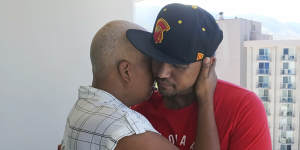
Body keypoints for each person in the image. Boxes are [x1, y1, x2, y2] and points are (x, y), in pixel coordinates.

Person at [127, 3, 272, 150]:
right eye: (157, 58)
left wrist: (205, 103)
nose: (161, 73)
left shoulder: (243, 109)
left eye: (178, 65)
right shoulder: (140, 112)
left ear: (207, 65)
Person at [60, 20, 220, 150]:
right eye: (150, 63)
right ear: (126, 71)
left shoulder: (82, 109)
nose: (158, 73)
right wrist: (206, 99)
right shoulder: (128, 131)